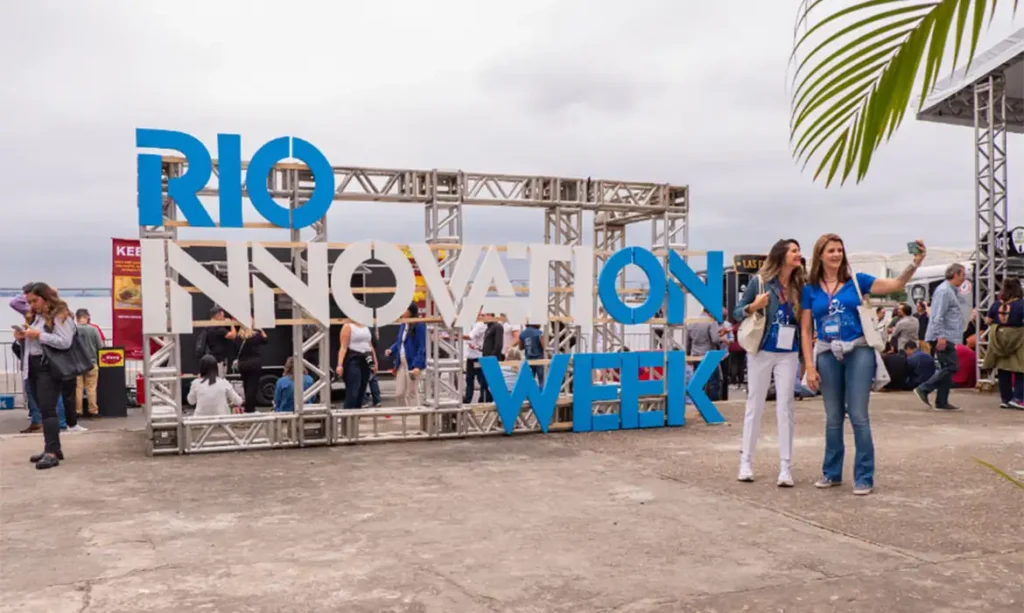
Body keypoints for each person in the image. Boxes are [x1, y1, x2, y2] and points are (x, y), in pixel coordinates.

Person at [801, 234, 926, 496]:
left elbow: (895, 284)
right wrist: (809, 366)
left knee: (858, 415)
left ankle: (864, 476)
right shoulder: (810, 289)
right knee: (833, 417)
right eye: (831, 250)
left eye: (840, 250)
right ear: (820, 255)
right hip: (826, 352)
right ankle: (831, 472)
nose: (836, 254)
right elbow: (805, 329)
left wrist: (914, 263)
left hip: (858, 350)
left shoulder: (858, 282)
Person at [733, 239, 805, 486]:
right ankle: (746, 461)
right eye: (794, 250)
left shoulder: (799, 285)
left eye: (798, 250)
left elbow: (804, 321)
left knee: (785, 407)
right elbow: (736, 311)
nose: (798, 254)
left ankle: (785, 467)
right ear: (782, 255)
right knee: (755, 405)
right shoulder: (760, 281)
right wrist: (754, 306)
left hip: (789, 351)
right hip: (761, 349)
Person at [15, 282, 80, 469]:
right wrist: (24, 336)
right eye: (29, 301)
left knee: (48, 409)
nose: (32, 305)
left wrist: (38, 335)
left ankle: (52, 452)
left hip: (49, 367)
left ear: (45, 298)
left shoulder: (60, 316)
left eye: (35, 300)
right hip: (34, 365)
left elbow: (65, 342)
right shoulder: (37, 317)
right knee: (44, 409)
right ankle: (52, 447)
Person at [915, 264, 967, 411]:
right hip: (943, 336)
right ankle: (924, 388)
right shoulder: (944, 291)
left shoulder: (951, 291)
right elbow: (938, 315)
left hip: (949, 335)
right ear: (956, 274)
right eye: (963, 275)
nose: (964, 278)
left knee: (947, 368)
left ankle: (942, 401)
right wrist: (941, 336)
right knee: (952, 366)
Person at [982, 278, 1024, 409]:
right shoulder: (1021, 304)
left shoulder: (996, 304)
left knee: (1003, 369)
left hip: (999, 339)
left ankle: (1005, 399)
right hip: (1018, 339)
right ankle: (1019, 398)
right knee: (1021, 369)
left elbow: (987, 321)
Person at [386, 302, 427, 408]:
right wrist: (391, 350)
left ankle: (415, 417)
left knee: (411, 393)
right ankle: (404, 416)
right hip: (402, 363)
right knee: (399, 394)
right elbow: (399, 341)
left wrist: (418, 366)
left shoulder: (419, 325)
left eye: (404, 309)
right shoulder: (403, 324)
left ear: (410, 312)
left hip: (413, 363)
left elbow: (422, 346)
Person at [335, 318, 377, 409]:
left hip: (366, 359)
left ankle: (355, 418)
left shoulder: (366, 326)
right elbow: (343, 347)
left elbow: (370, 345)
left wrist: (375, 362)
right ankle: (347, 417)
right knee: (353, 391)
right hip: (353, 359)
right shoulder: (348, 326)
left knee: (362, 392)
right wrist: (339, 365)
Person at [73, 308, 103, 418]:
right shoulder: (94, 330)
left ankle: (78, 411)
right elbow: (100, 346)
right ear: (87, 316)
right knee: (91, 388)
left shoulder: (73, 330)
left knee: (78, 388)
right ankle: (93, 411)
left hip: (76, 363)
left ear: (77, 318)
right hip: (91, 362)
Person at [233, 325, 267, 413]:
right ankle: (249, 409)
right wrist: (261, 329)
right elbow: (266, 340)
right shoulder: (256, 335)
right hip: (254, 364)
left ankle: (247, 406)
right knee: (253, 387)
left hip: (243, 364)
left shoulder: (238, 337)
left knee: (246, 385)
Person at [479, 315, 505, 403]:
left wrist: (491, 357)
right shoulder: (488, 328)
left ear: (490, 315)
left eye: (483, 315)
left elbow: (498, 345)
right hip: (486, 359)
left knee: (493, 383)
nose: (482, 317)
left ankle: (494, 402)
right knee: (484, 383)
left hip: (492, 361)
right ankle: (484, 401)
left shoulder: (497, 327)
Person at [463, 313, 488, 403]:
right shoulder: (473, 324)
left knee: (480, 379)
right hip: (471, 355)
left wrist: (457, 335)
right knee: (470, 379)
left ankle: (484, 398)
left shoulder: (480, 325)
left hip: (477, 356)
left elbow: (470, 336)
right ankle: (468, 398)